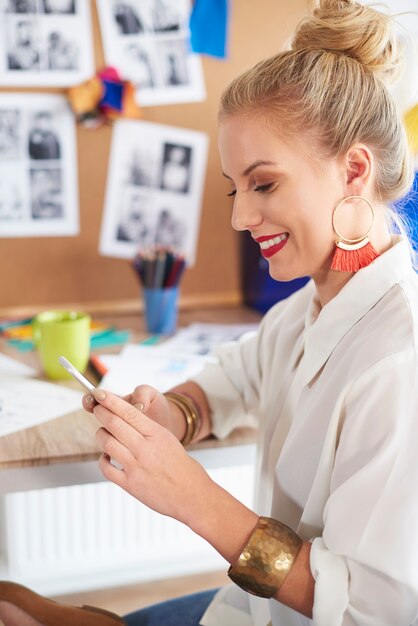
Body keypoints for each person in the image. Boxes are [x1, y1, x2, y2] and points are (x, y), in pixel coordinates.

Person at [1, 1, 418, 625]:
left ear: (355, 170)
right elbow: (236, 376)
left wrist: (193, 498)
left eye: (264, 184)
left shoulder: (399, 361)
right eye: (235, 187)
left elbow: (369, 608)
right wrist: (169, 414)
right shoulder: (306, 309)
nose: (239, 217)